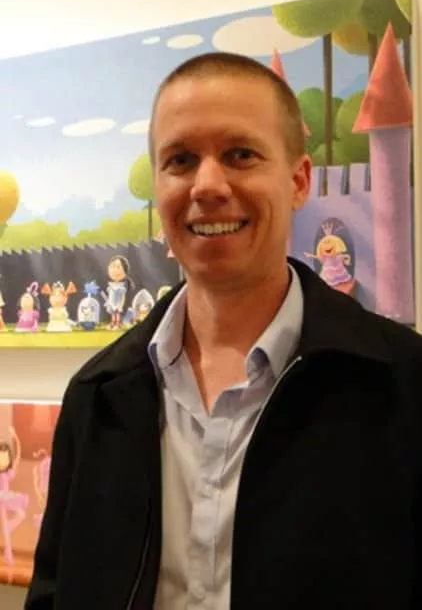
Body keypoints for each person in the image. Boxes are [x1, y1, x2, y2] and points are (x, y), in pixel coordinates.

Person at [25, 52, 422, 610]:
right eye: (181, 160)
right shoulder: (99, 396)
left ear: (298, 180)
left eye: (240, 154)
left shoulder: (403, 384)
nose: (207, 185)